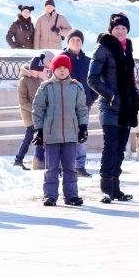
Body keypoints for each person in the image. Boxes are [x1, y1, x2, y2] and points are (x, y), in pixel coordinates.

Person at [88, 13, 139, 204]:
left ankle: (116, 189)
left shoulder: (127, 50)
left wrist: (135, 92)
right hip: (110, 107)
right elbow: (92, 79)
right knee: (110, 147)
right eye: (116, 28)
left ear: (127, 31)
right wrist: (111, 96)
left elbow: (128, 78)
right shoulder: (103, 48)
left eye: (123, 28)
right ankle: (106, 190)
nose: (120, 31)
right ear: (111, 30)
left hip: (126, 107)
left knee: (120, 149)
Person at [32, 54, 88, 206]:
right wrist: (40, 130)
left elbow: (81, 109)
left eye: (65, 67)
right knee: (52, 167)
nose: (62, 70)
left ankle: (71, 196)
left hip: (71, 134)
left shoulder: (77, 87)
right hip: (51, 135)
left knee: (70, 167)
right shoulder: (46, 87)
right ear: (53, 69)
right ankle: (50, 195)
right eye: (58, 67)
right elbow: (38, 109)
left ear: (69, 69)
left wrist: (82, 127)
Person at [62, 30, 97, 178]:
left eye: (78, 40)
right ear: (68, 41)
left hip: (83, 105)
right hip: (65, 105)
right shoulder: (62, 58)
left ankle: (80, 166)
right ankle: (64, 166)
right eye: (73, 39)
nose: (75, 42)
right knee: (64, 136)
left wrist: (91, 97)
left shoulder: (88, 61)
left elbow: (94, 81)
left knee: (81, 136)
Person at [13, 54, 47, 170]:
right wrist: (35, 109)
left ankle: (24, 159)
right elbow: (22, 101)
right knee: (30, 137)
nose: (39, 73)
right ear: (32, 69)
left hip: (39, 114)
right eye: (38, 70)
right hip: (29, 114)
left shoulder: (39, 80)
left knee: (35, 137)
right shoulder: (24, 80)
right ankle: (20, 159)